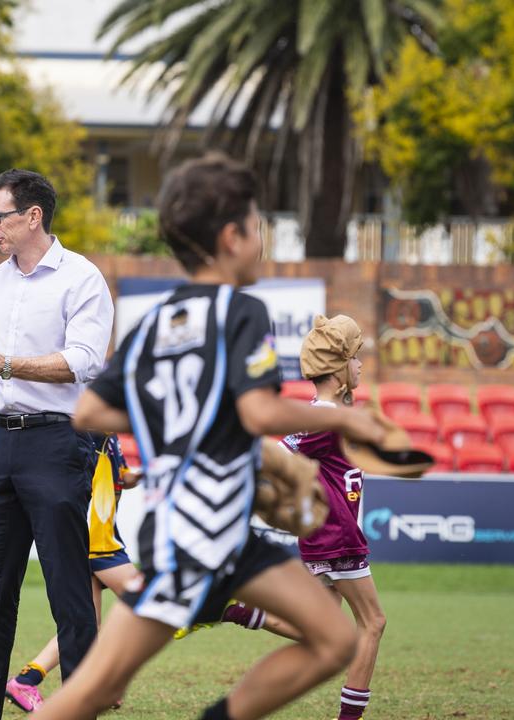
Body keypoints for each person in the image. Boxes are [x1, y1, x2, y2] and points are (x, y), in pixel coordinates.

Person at [31, 152, 385, 720]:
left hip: (200, 535)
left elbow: (90, 411)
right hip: (203, 536)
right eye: (257, 225)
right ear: (232, 238)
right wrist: (344, 418)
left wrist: (181, 423)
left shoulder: (155, 322)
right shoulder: (241, 312)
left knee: (334, 638)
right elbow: (259, 413)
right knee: (333, 640)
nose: (262, 238)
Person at [0, 168, 114, 718]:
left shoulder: (82, 278)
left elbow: (84, 362)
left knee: (70, 591)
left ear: (32, 215)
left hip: (60, 442)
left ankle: (79, 707)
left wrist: (4, 363)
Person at [283, 313, 387, 720]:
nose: (361, 365)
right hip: (338, 537)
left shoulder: (322, 414)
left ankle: (235, 609)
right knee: (373, 622)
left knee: (314, 630)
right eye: (356, 357)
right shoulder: (327, 417)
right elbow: (282, 450)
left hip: (320, 539)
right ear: (339, 368)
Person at [5, 435, 139, 713]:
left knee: (86, 627)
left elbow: (124, 477)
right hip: (99, 546)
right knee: (158, 603)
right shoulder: (94, 437)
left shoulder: (111, 440)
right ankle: (236, 611)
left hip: (99, 542)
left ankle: (25, 681)